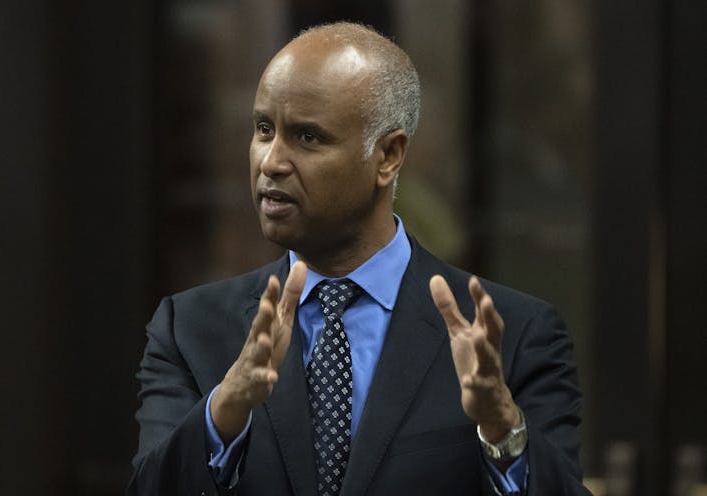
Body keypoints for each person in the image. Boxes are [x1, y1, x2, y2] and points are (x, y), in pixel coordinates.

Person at [128, 22, 591, 496]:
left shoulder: (514, 337)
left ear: (388, 155)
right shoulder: (189, 329)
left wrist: (502, 430)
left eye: (307, 137)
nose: (271, 161)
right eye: (264, 129)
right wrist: (226, 409)